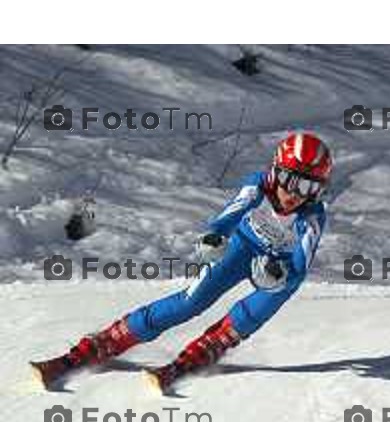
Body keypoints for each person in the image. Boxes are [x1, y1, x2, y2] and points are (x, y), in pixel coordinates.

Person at [31, 132, 333, 393]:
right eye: (290, 179)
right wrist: (214, 238)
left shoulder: (314, 215)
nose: (295, 193)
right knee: (190, 301)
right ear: (275, 171)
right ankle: (106, 341)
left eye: (308, 187)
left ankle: (212, 345)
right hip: (242, 246)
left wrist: (281, 276)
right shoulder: (258, 186)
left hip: (277, 265)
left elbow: (299, 267)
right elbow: (228, 218)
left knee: (273, 294)